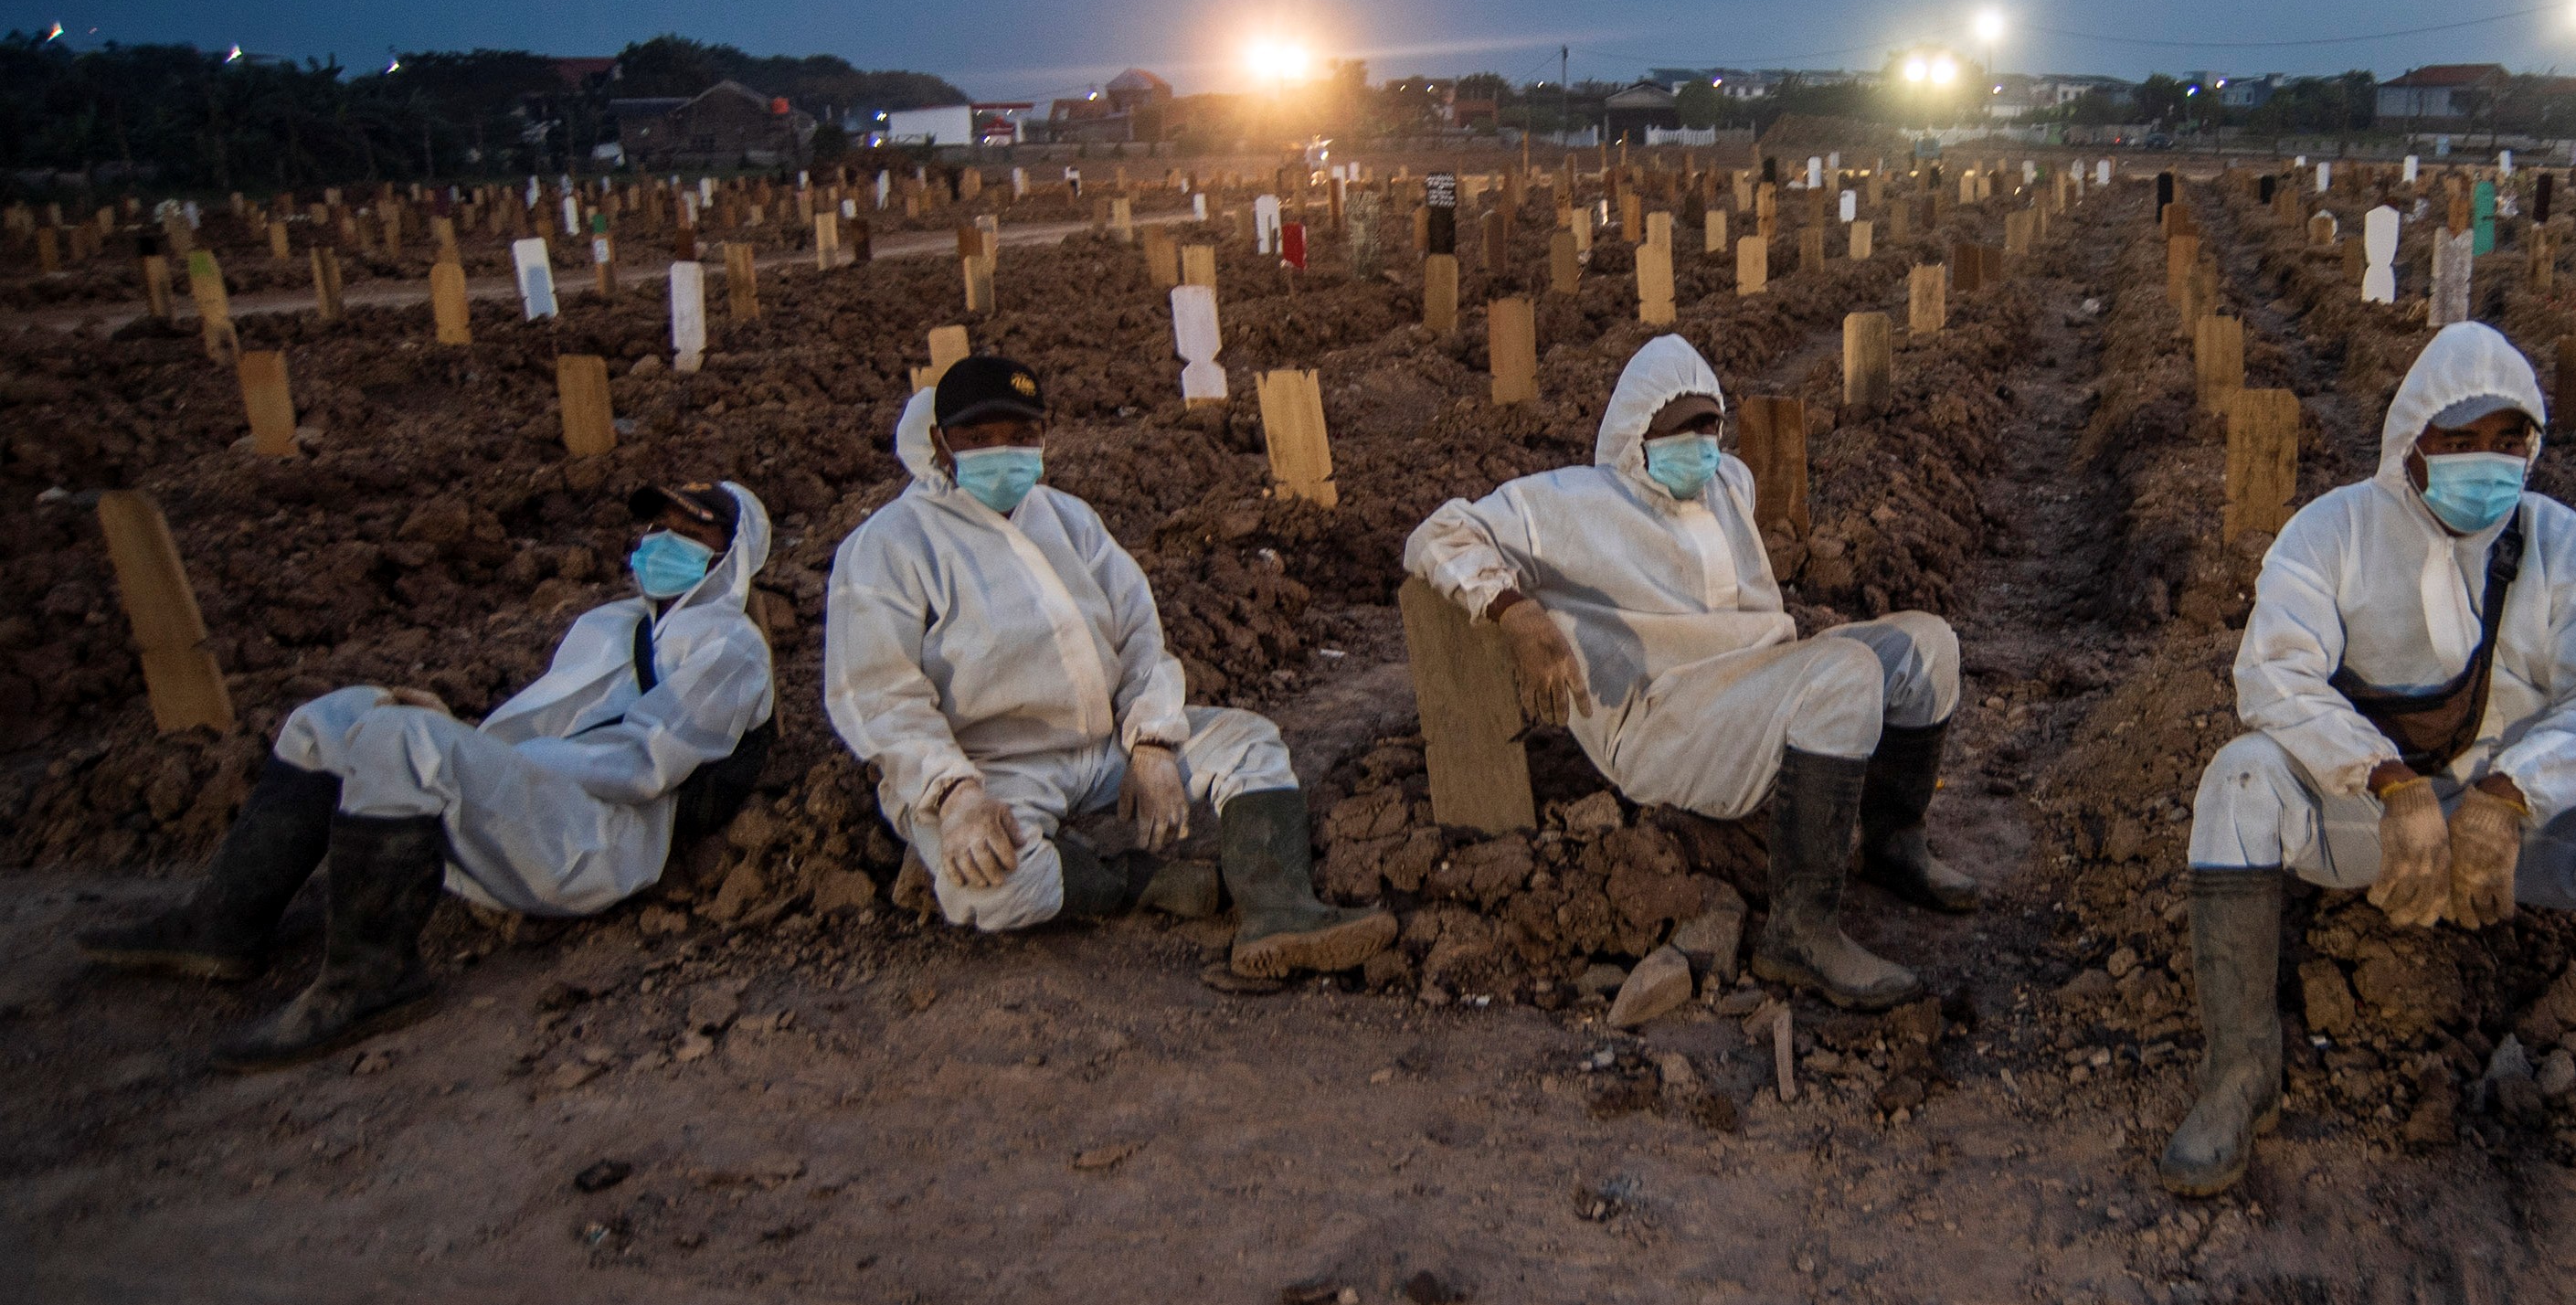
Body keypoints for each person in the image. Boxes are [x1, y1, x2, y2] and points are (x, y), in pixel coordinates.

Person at [2160, 324, 2576, 1276]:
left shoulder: (2567, 550)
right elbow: (2273, 677)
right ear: (2412, 439)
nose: (2484, 464)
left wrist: (2509, 795)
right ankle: (2239, 1075)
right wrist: (2383, 778)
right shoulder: (2332, 531)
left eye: (2507, 442)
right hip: (2368, 824)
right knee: (2236, 776)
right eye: (2458, 440)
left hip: (2515, 839)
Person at [85, 482, 781, 1069]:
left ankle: (372, 976)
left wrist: (476, 752)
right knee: (330, 716)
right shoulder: (613, 623)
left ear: (729, 551)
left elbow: (641, 765)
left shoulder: (729, 648)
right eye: (656, 524)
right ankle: (224, 924)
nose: (661, 540)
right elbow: (542, 722)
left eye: (686, 529)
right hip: (541, 800)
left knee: (400, 737)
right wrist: (472, 744)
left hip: (605, 835)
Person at [1403, 335, 1975, 1010]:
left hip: (1754, 681)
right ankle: (1798, 933)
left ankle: (1892, 840)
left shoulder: (1725, 482)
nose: (1703, 443)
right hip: (1664, 719)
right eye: (1684, 430)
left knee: (1929, 643)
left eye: (1712, 426)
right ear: (1636, 433)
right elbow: (1435, 535)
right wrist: (1517, 613)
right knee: (1844, 672)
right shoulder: (1571, 502)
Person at [825, 353, 1390, 980]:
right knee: (992, 891)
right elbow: (876, 691)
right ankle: (1138, 881)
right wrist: (953, 794)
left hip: (1103, 746)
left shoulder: (1068, 517)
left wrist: (1149, 741)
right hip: (989, 771)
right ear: (939, 440)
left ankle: (1281, 910)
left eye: (1019, 435)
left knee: (1248, 740)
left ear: (1043, 433)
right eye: (978, 438)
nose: (1002, 452)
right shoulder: (891, 543)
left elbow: (1139, 636)